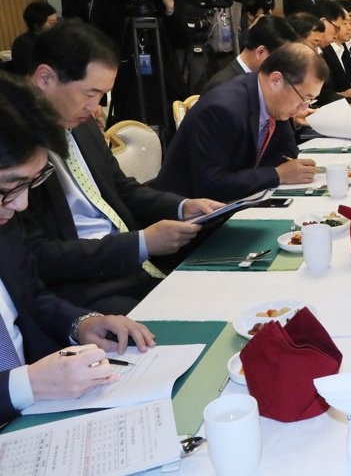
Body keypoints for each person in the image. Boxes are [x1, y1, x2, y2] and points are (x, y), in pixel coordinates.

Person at [22, 21, 221, 315]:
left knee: (223, 274)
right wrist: (139, 243)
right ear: (45, 78)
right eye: (89, 94)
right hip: (79, 287)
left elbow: (120, 188)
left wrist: (182, 206)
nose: (96, 108)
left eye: (102, 96)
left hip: (129, 262)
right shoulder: (14, 144)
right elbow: (36, 254)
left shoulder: (80, 121)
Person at [0, 72, 157, 425]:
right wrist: (27, 384)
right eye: (9, 186)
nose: (22, 204)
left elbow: (32, 296)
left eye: (31, 183)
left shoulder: (6, 221)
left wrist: (83, 323)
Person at [154, 43, 327, 202]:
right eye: (304, 98)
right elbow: (210, 185)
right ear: (276, 81)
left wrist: (275, 172)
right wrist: (277, 175)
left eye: (310, 101)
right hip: (190, 214)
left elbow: (286, 152)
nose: (303, 108)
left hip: (239, 200)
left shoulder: (275, 103)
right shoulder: (223, 109)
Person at [204, 16, 299, 94]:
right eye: (280, 59)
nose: (282, 66)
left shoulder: (259, 78)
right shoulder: (222, 85)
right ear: (260, 52)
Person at [10, 2, 57, 76]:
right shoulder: (23, 44)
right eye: (51, 22)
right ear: (36, 25)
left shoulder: (53, 37)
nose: (56, 25)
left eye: (56, 21)